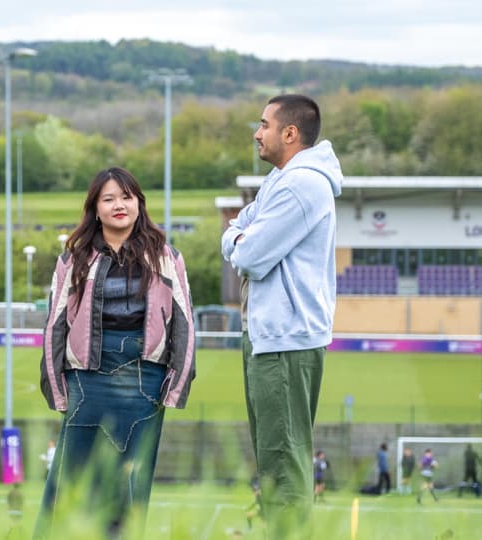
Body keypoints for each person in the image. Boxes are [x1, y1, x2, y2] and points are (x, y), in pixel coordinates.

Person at [35, 167, 196, 539]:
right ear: (95, 208)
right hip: (86, 381)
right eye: (108, 199)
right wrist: (57, 389)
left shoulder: (166, 256)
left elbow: (185, 323)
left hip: (145, 383)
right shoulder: (73, 259)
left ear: (139, 203)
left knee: (128, 487)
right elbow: (54, 325)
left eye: (126, 197)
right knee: (69, 483)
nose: (119, 205)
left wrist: (175, 386)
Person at [222, 94, 342, 538]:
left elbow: (249, 254)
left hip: (285, 339)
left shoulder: (300, 185)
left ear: (289, 133)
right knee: (274, 458)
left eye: (264, 125)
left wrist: (239, 239)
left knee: (284, 461)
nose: (257, 133)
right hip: (270, 336)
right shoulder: (280, 180)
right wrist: (238, 236)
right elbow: (237, 228)